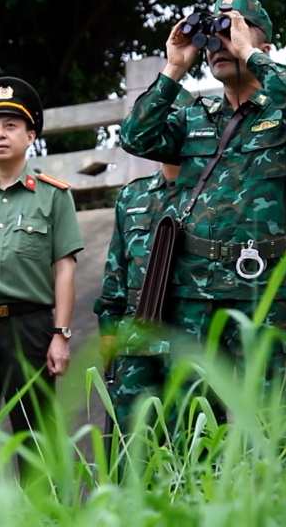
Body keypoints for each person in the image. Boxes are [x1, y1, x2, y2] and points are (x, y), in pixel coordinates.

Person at [118, 0, 286, 433]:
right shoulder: (194, 116)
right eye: (213, 34)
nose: (219, 44)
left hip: (264, 287)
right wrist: (174, 66)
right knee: (193, 420)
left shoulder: (285, 111)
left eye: (230, 30)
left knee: (272, 420)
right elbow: (136, 137)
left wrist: (250, 54)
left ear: (263, 47)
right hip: (194, 289)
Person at [0, 77, 84, 477]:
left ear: (30, 135)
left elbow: (64, 267)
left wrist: (60, 335)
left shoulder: (53, 195)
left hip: (29, 327)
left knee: (35, 436)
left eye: (11, 126)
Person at [94, 162, 181, 436]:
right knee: (131, 441)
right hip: (134, 336)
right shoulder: (133, 194)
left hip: (189, 327)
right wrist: (108, 331)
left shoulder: (214, 189)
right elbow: (115, 270)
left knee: (191, 435)